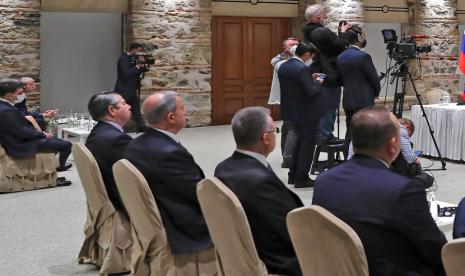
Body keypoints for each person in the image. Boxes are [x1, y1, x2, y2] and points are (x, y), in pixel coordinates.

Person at [313, 106, 447, 276]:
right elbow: (435, 248)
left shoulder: (324, 181)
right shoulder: (404, 189)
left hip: (338, 268)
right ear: (392, 145)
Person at [124, 92, 216, 274]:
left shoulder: (136, 144)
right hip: (180, 225)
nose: (186, 113)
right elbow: (199, 193)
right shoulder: (169, 153)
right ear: (171, 117)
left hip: (157, 212)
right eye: (183, 109)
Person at [215, 107, 303, 276]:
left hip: (245, 249)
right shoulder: (260, 181)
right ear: (266, 138)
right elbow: (293, 228)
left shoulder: (223, 168)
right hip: (277, 261)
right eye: (274, 130)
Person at [303, 4, 350, 145]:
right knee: (329, 104)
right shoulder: (321, 32)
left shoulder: (308, 31)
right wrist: (343, 32)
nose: (326, 16)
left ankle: (321, 133)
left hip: (317, 72)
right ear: (318, 17)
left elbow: (330, 46)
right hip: (328, 74)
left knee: (321, 102)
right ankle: (325, 135)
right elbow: (340, 45)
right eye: (324, 14)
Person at [0, 79, 72, 172]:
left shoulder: (5, 106)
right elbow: (23, 132)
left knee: (53, 138)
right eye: (19, 93)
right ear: (9, 96)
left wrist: (40, 132)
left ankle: (52, 163)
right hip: (19, 144)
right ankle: (59, 167)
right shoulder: (6, 110)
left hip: (18, 138)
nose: (21, 95)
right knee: (66, 145)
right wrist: (42, 134)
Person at [278, 41, 324, 188]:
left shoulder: (284, 66)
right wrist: (318, 81)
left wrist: (310, 79)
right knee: (306, 146)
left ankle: (293, 175)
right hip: (306, 112)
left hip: (290, 111)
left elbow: (295, 87)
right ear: (307, 54)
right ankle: (302, 178)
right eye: (311, 56)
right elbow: (311, 92)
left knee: (298, 144)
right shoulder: (302, 69)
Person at [336, 25, 381, 157]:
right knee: (366, 132)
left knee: (350, 133)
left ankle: (347, 160)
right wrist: (375, 93)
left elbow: (341, 79)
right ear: (359, 38)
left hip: (348, 99)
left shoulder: (340, 57)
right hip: (364, 100)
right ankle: (364, 160)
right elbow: (373, 79)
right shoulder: (363, 57)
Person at [85, 91, 133, 213]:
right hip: (122, 202)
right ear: (112, 110)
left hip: (108, 194)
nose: (129, 106)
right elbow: (139, 172)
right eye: (124, 103)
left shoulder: (97, 132)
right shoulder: (117, 140)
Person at [269, 42, 298, 168]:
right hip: (288, 99)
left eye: (296, 44)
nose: (294, 47)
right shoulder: (281, 62)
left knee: (287, 127)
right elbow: (274, 61)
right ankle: (288, 157)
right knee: (290, 128)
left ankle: (287, 156)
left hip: (292, 99)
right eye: (291, 45)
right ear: (285, 48)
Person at [114, 42, 147, 132]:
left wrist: (143, 66)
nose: (139, 54)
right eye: (139, 51)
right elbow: (126, 74)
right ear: (134, 49)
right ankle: (118, 128)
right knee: (120, 110)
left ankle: (141, 126)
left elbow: (139, 72)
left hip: (131, 89)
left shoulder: (134, 59)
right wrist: (137, 66)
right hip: (123, 89)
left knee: (136, 109)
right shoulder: (123, 59)